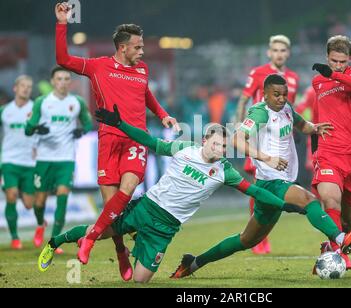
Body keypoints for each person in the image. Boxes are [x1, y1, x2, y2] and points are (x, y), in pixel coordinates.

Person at [38, 107, 304, 283]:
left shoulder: (225, 172)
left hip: (167, 227)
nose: (221, 149)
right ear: (204, 140)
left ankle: (138, 244)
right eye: (216, 143)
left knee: (140, 279)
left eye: (224, 146)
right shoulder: (183, 148)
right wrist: (120, 124)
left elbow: (256, 191)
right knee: (101, 230)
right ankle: (54, 242)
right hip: (146, 207)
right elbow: (149, 142)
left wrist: (285, 206)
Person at [170, 74, 351, 279]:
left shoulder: (286, 108)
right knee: (309, 200)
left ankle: (193, 263)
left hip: (276, 185)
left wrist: (314, 128)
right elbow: (237, 140)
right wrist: (266, 158)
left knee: (246, 240)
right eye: (276, 95)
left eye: (284, 94)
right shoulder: (260, 113)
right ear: (264, 95)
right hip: (271, 181)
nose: (281, 98)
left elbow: (301, 124)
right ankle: (340, 238)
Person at [54, 2, 179, 280]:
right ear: (123, 47)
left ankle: (90, 238)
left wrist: (163, 115)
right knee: (114, 209)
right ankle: (121, 251)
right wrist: (62, 24)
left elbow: (145, 95)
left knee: (129, 187)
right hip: (109, 140)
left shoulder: (142, 70)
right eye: (138, 47)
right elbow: (63, 59)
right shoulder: (98, 67)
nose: (142, 51)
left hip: (136, 140)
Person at [311, 35, 351, 272]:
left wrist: (335, 74)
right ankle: (338, 251)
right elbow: (319, 115)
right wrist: (313, 144)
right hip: (328, 152)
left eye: (342, 61)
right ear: (327, 57)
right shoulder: (317, 83)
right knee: (330, 200)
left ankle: (335, 245)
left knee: (348, 220)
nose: (338, 65)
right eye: (334, 61)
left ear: (349, 59)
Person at [235, 35, 300, 254]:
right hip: (258, 136)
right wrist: (239, 123)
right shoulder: (258, 73)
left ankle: (262, 235)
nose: (279, 54)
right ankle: (257, 237)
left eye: (283, 50)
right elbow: (244, 98)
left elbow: (291, 108)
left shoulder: (292, 78)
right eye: (275, 50)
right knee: (258, 183)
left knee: (273, 182)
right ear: (269, 52)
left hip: (279, 138)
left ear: (288, 53)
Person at [25, 67, 92, 255]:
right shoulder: (42, 102)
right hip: (44, 159)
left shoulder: (76, 102)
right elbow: (28, 130)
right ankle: (41, 223)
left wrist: (82, 131)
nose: (63, 82)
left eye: (66, 79)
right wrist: (37, 128)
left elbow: (87, 123)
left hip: (66, 158)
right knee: (39, 203)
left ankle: (53, 241)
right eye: (59, 79)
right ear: (53, 81)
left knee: (63, 195)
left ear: (69, 82)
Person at [0, 75, 36, 249]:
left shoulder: (36, 109)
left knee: (29, 204)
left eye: (29, 86)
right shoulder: (4, 110)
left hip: (30, 163)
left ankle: (20, 190)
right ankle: (15, 238)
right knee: (11, 196)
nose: (26, 89)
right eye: (23, 86)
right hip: (9, 161)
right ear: (15, 88)